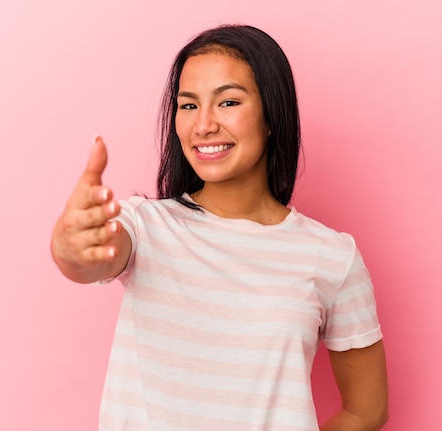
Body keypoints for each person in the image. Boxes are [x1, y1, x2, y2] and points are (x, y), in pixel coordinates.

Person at [51, 24, 388, 431]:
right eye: (189, 105)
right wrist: (72, 245)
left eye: (227, 102)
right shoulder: (145, 227)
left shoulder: (334, 258)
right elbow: (88, 262)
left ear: (271, 116)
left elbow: (366, 410)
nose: (204, 125)